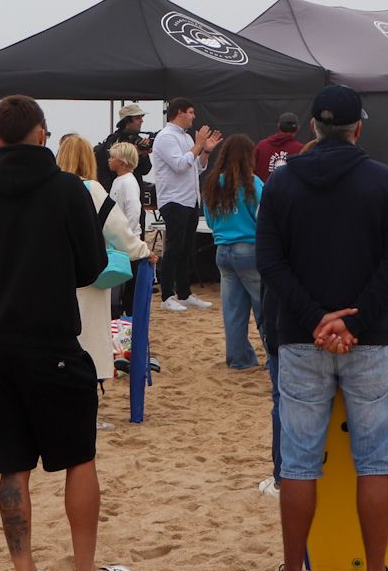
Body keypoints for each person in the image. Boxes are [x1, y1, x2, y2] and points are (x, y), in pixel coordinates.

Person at [0, 96, 127, 571]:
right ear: (40, 134)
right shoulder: (67, 190)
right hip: (53, 340)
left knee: (13, 465)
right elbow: (92, 266)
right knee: (79, 457)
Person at [258, 85, 388, 571]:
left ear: (312, 127)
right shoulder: (386, 182)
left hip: (300, 340)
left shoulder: (281, 183)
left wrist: (315, 319)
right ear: (358, 128)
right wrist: (355, 320)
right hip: (369, 341)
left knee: (298, 462)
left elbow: (270, 262)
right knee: (376, 460)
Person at [56, 134, 150, 387]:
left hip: (54, 276)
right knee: (88, 337)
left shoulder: (47, 190)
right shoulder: (90, 189)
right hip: (87, 277)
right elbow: (117, 229)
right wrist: (142, 250)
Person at [201, 135, 268, 370]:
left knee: (233, 310)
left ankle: (239, 359)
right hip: (249, 250)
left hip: (223, 252)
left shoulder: (213, 183)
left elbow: (210, 221)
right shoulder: (252, 183)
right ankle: (274, 358)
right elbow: (265, 217)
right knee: (264, 308)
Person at [152, 100, 219, 312]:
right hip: (174, 200)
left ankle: (184, 293)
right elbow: (180, 165)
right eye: (190, 112)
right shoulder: (165, 137)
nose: (193, 116)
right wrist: (198, 145)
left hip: (189, 200)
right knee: (173, 248)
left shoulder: (187, 137)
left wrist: (205, 151)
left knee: (186, 249)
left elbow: (196, 168)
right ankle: (166, 296)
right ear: (179, 113)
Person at [106, 143, 145, 321]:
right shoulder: (118, 181)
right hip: (118, 241)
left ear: (122, 161)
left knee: (126, 288)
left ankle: (126, 317)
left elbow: (133, 212)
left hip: (127, 242)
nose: (109, 160)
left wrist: (125, 235)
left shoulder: (128, 182)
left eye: (112, 157)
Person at [94, 105, 150, 188]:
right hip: (115, 188)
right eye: (138, 118)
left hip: (134, 188)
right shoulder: (114, 140)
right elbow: (111, 166)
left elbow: (145, 170)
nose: (142, 121)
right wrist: (134, 152)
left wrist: (144, 154)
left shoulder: (139, 141)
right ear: (127, 121)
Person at [253, 114, 309, 181]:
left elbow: (250, 170)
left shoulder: (262, 146)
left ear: (278, 126)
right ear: (298, 128)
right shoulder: (302, 150)